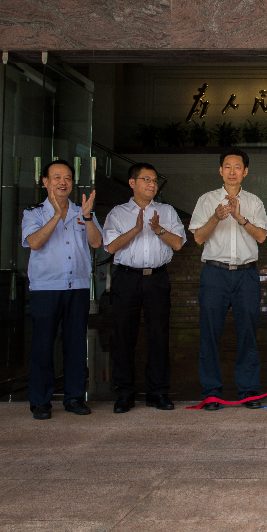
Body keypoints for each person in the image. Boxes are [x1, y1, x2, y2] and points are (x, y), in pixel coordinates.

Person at [102, 163, 186, 413]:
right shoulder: (118, 213)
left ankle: (158, 392)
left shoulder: (166, 210)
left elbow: (179, 244)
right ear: (132, 183)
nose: (152, 184)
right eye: (146, 179)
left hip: (157, 279)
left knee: (158, 336)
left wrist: (158, 229)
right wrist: (136, 230)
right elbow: (110, 247)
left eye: (154, 180)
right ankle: (124, 393)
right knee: (124, 336)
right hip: (127, 278)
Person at [190, 148, 267, 410]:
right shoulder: (206, 200)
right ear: (220, 170)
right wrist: (217, 216)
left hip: (246, 274)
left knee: (247, 332)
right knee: (209, 333)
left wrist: (238, 217)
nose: (232, 171)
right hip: (215, 273)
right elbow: (199, 238)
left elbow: (261, 236)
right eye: (227, 166)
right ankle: (212, 392)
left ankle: (248, 391)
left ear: (245, 172)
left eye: (238, 167)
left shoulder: (254, 202)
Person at [22, 160, 102, 420]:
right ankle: (41, 401)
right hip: (46, 288)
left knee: (76, 344)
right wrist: (57, 215)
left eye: (67, 177)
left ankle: (74, 397)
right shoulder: (34, 213)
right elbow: (34, 243)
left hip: (77, 287)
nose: (62, 182)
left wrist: (88, 217)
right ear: (45, 181)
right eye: (56, 177)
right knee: (43, 345)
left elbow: (97, 242)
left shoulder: (83, 211)